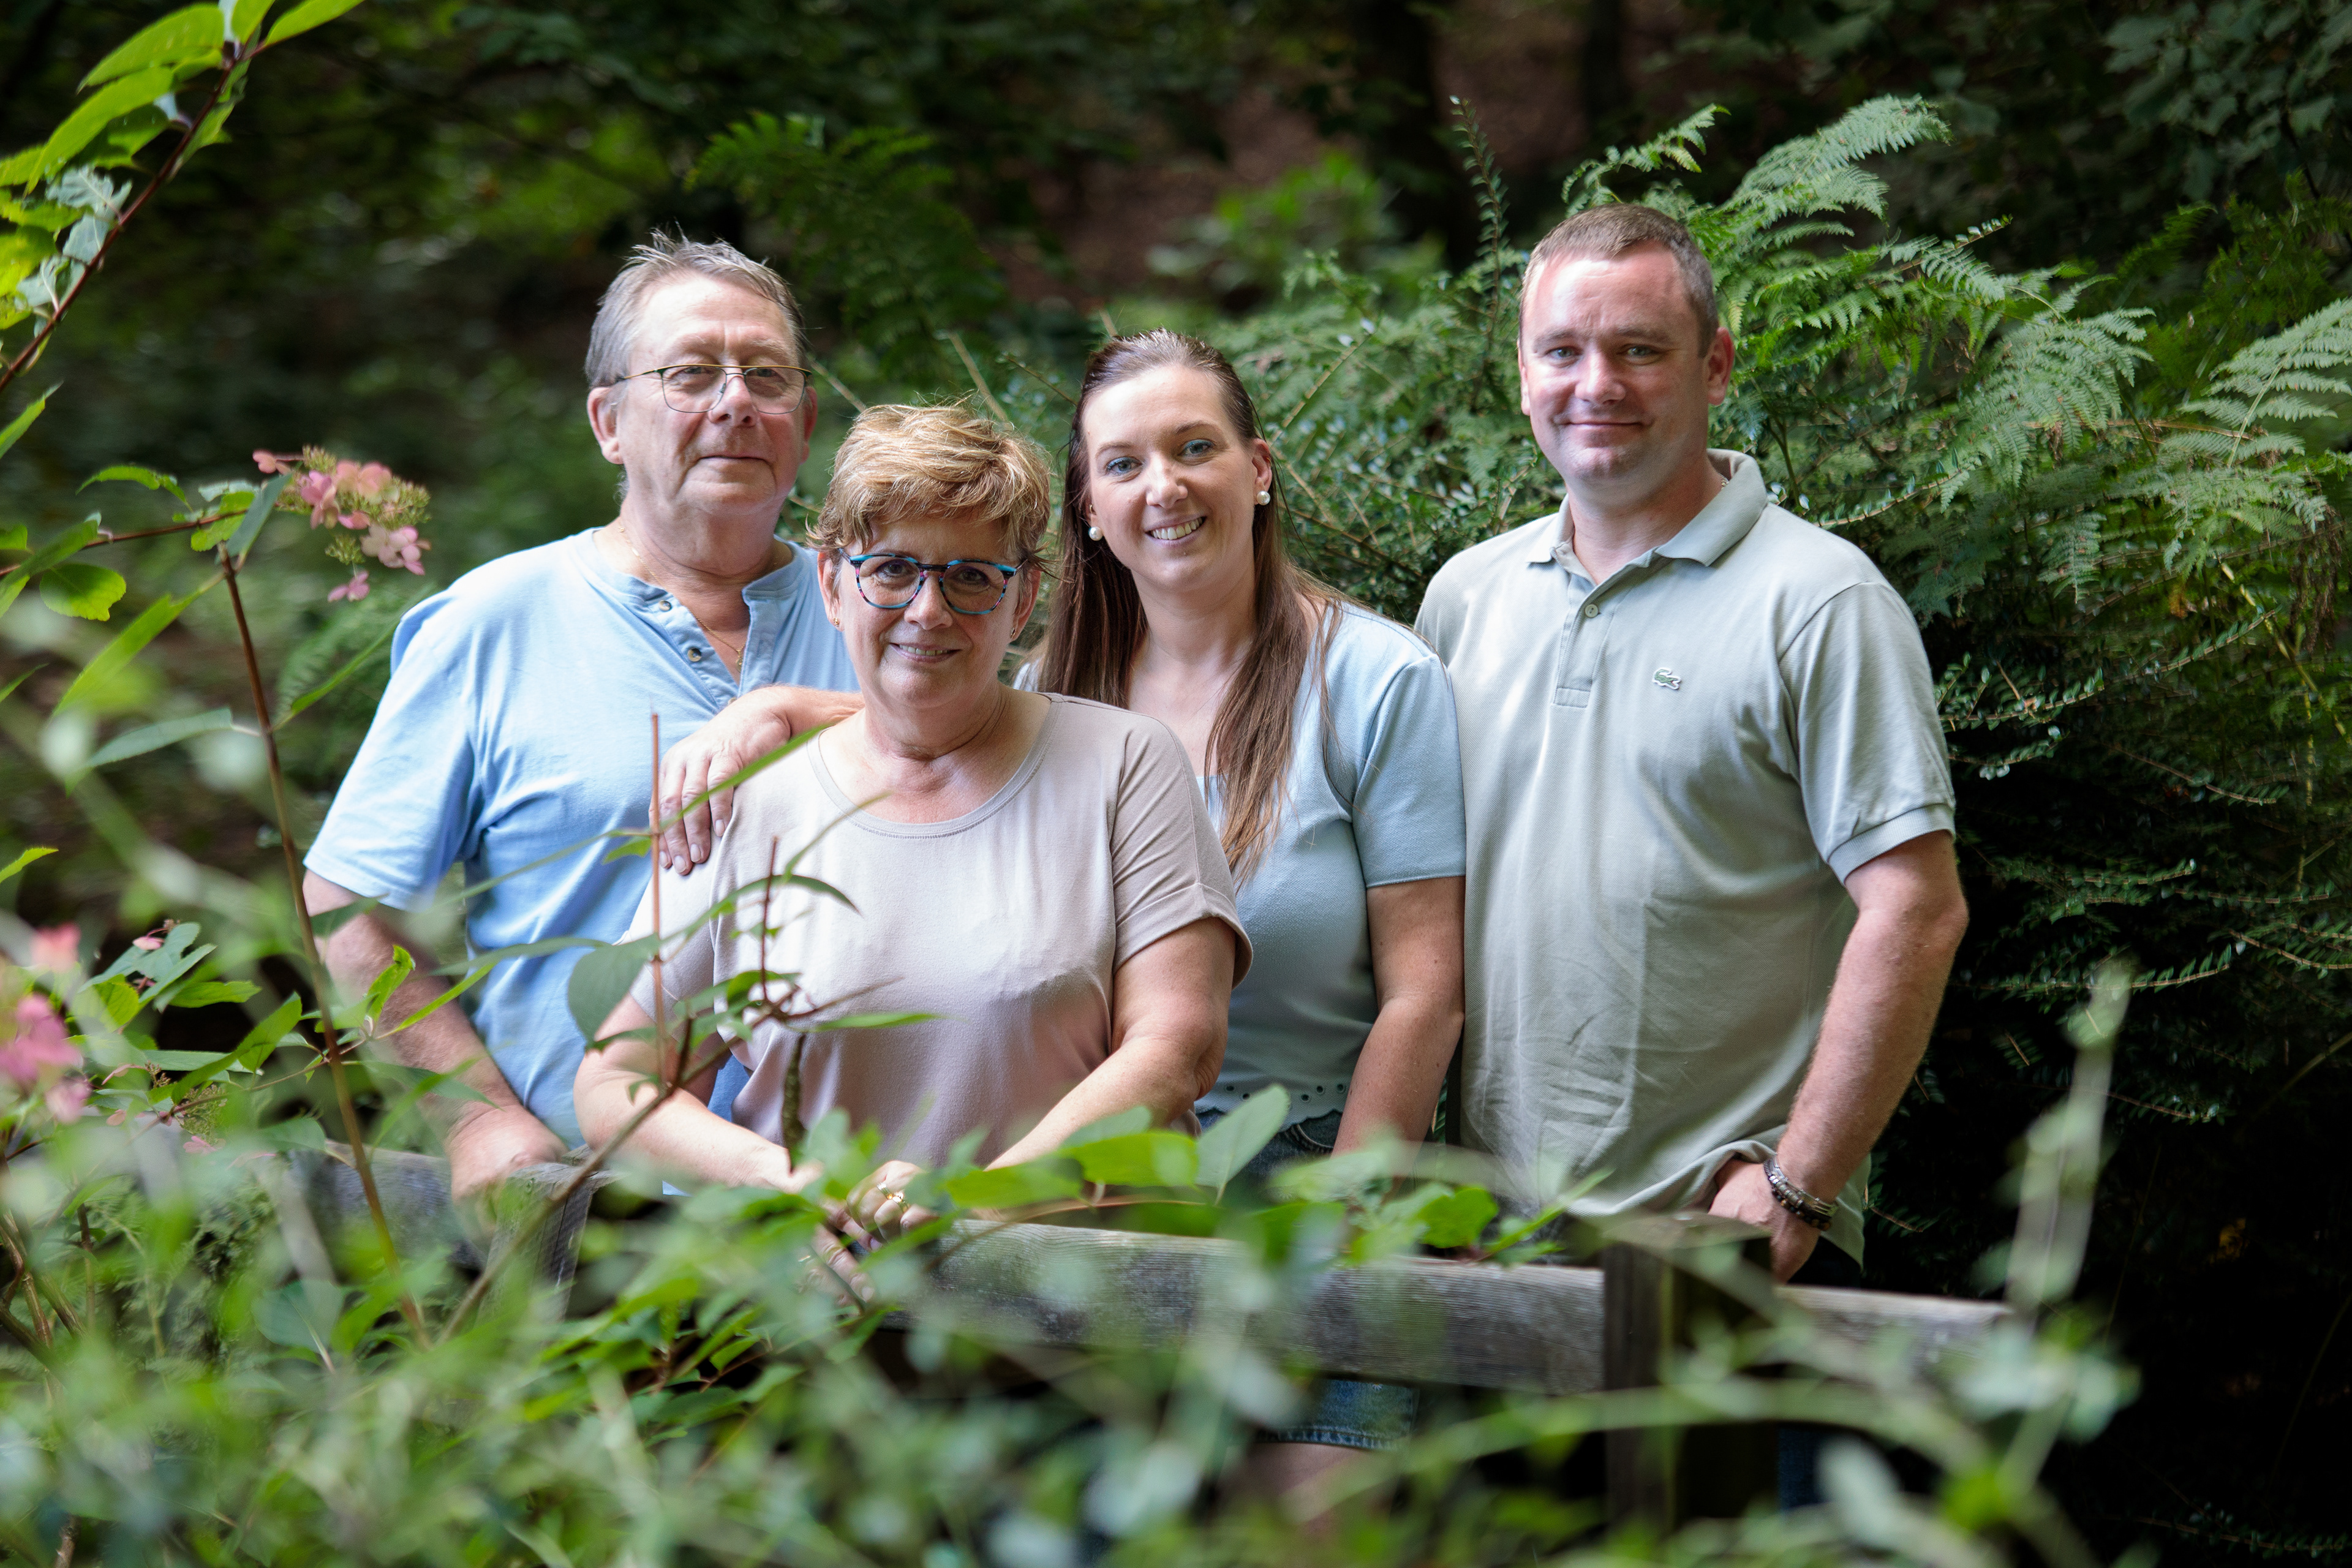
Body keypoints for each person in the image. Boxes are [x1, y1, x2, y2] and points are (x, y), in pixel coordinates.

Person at [1414, 202, 1968, 1496]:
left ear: (1717, 366)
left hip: (1728, 1255)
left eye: (1639, 350)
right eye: (1561, 351)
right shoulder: (1464, 596)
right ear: (1520, 370)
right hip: (1493, 1262)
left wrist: (1799, 1185)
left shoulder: (1822, 601)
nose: (1594, 385)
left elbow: (1918, 910)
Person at [573, 404, 1248, 1213]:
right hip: (820, 1301)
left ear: (1024, 594)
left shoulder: (1125, 766)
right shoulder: (748, 802)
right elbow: (616, 1079)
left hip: (1091, 1300)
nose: (929, 612)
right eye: (892, 569)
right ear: (832, 583)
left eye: (970, 576)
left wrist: (969, 1204)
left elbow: (1178, 1047)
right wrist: (794, 1189)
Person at [303, 235, 862, 1200]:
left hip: (849, 1209)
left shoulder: (890, 614)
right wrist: (476, 1116)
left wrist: (799, 710)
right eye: (690, 373)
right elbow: (349, 909)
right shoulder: (493, 624)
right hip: (586, 1209)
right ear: (610, 421)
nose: (736, 402)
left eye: (767, 376)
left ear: (804, 422)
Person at [1030, 330, 1466, 1496]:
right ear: (1086, 508)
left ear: (1259, 468)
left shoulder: (1377, 681)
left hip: (1314, 1164)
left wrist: (1349, 1225)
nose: (1162, 487)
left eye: (1194, 449)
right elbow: (894, 724)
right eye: (1122, 464)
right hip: (1095, 1185)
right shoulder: (1042, 704)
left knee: (1311, 1524)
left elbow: (1425, 991)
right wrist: (769, 713)